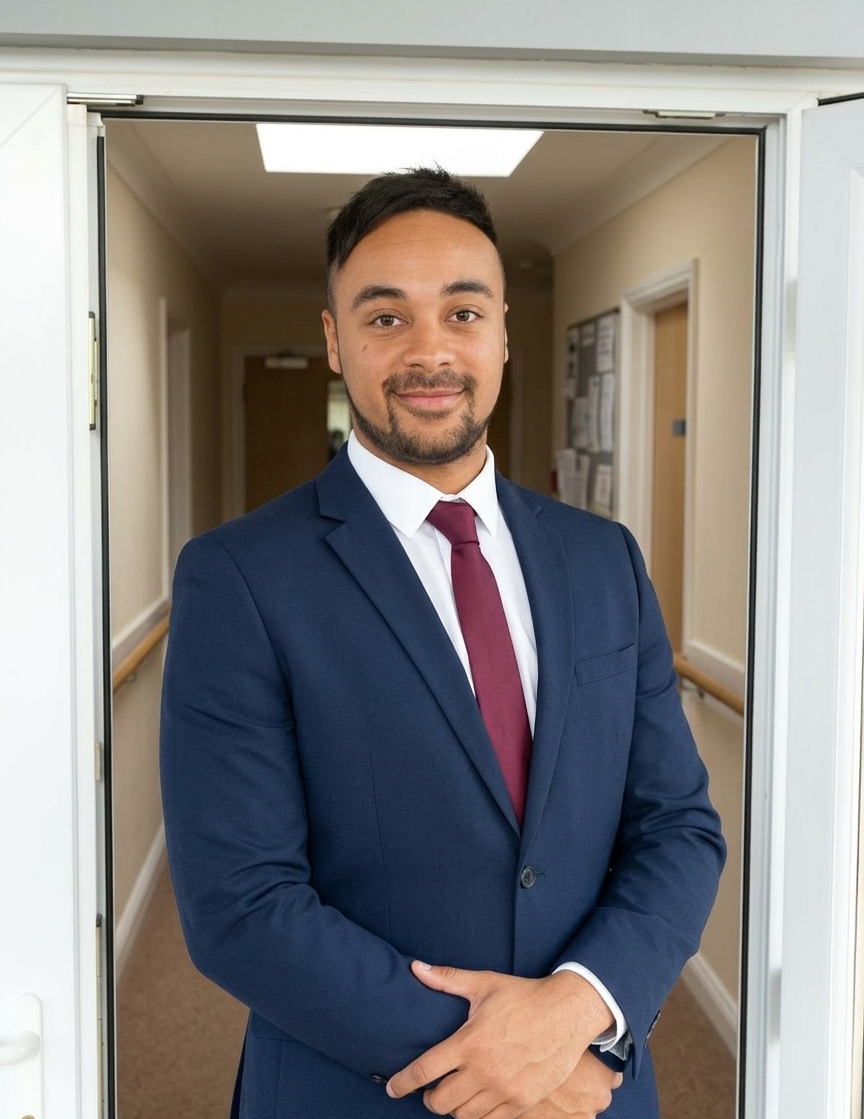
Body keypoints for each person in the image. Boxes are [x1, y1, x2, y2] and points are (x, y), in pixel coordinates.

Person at [160, 167, 725, 1119]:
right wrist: (508, 1062)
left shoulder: (603, 561)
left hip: (593, 1081)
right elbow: (242, 907)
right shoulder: (241, 577)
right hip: (362, 1090)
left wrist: (575, 1014)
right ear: (336, 341)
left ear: (503, 333)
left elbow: (678, 827)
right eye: (386, 318)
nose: (430, 351)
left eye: (463, 314)